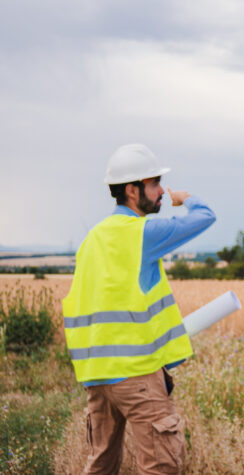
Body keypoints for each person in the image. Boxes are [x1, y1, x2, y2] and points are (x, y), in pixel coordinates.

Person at [63, 143, 216, 474]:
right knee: (161, 465)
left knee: (101, 464)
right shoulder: (142, 233)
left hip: (97, 376)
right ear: (132, 190)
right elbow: (205, 217)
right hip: (136, 376)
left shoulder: (92, 239)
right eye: (155, 183)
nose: (161, 191)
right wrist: (185, 198)